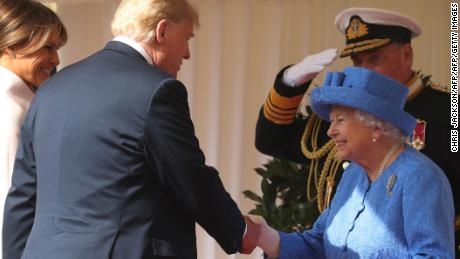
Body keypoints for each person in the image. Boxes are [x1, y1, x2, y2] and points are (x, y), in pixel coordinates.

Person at [2, 0, 258, 258]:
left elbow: (23, 195)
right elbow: (189, 177)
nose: (187, 53)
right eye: (186, 38)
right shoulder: (158, 90)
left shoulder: (50, 90)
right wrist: (242, 233)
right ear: (162, 31)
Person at [255, 7, 459, 252]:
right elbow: (272, 139)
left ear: (406, 54)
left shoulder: (449, 111)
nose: (364, 70)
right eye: (357, 61)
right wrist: (290, 82)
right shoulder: (351, 152)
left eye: (374, 59)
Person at [0, 0, 67, 255]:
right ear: (11, 44)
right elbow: (10, 195)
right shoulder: (9, 107)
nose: (56, 59)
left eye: (57, 48)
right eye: (47, 48)